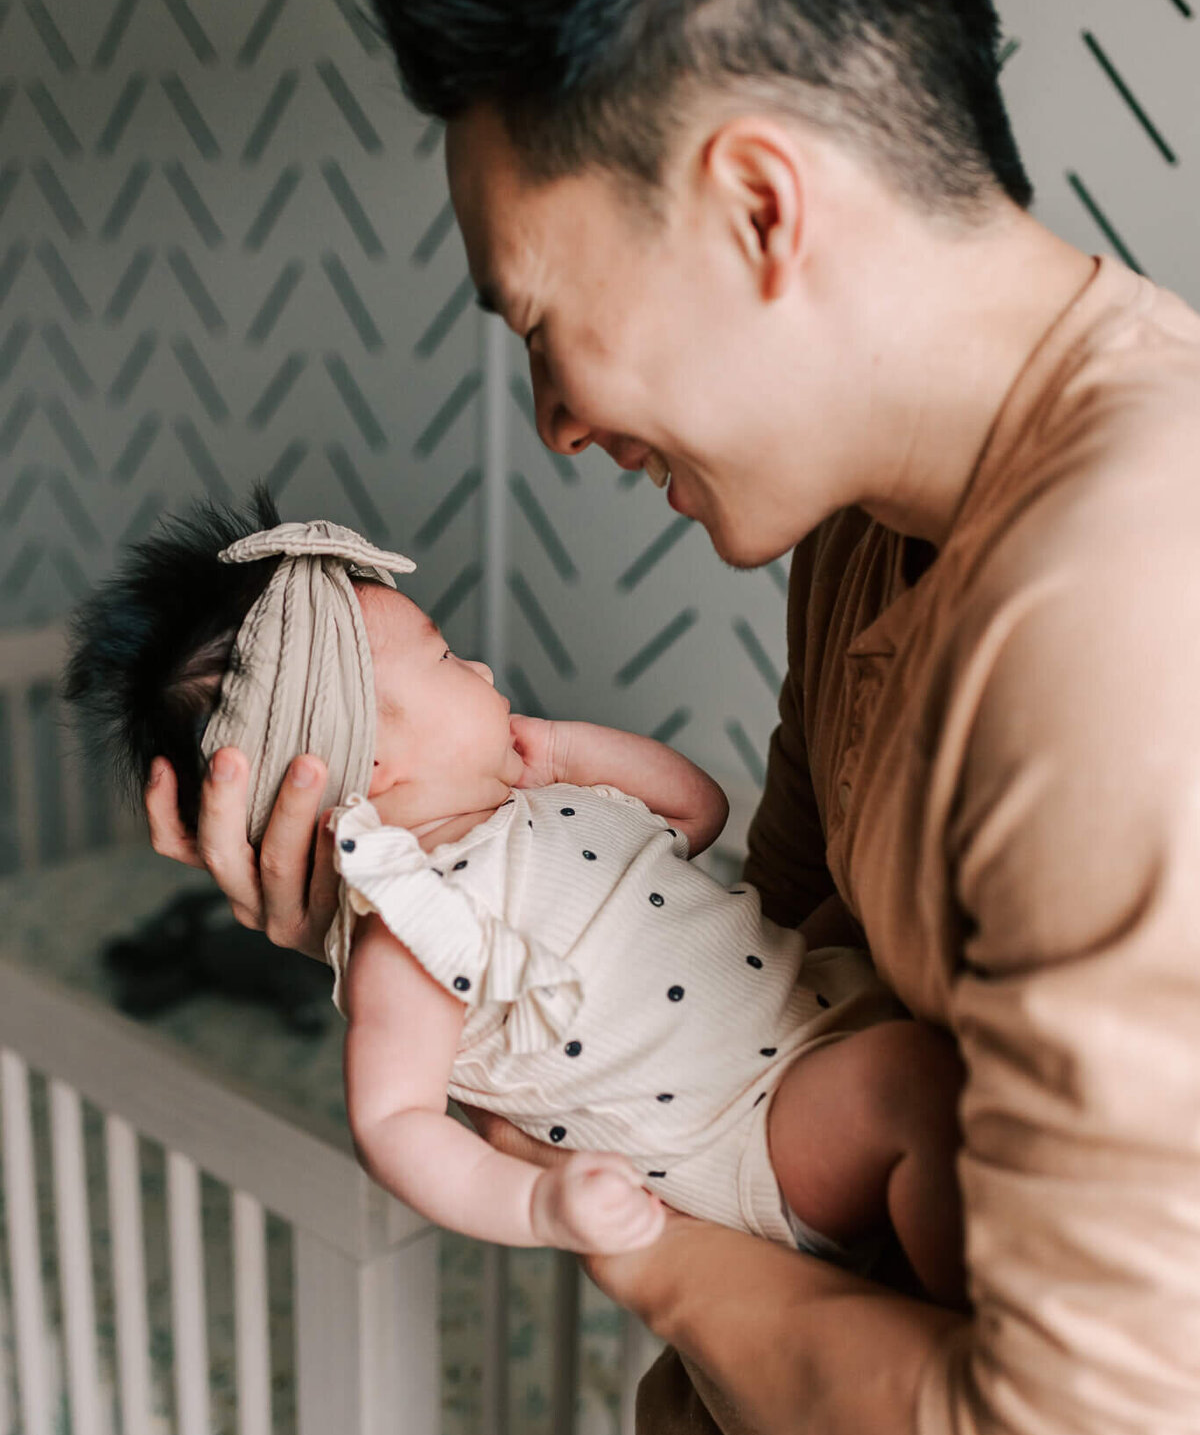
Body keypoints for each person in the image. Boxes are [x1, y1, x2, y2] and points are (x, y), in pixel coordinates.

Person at [144, 0, 1200, 1435]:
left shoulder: (1124, 603)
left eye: (542, 325)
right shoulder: (881, 525)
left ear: (759, 206)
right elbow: (776, 946)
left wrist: (642, 1256)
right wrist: (397, 928)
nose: (554, 419)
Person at [66, 497, 967, 1298]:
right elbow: (394, 1122)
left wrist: (570, 751)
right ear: (375, 764)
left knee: (964, 1048)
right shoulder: (418, 926)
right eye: (448, 655)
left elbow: (700, 812)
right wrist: (540, 1202)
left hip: (820, 1011)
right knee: (919, 1091)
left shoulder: (536, 808)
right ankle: (976, 1343)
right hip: (752, 1132)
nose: (487, 671)